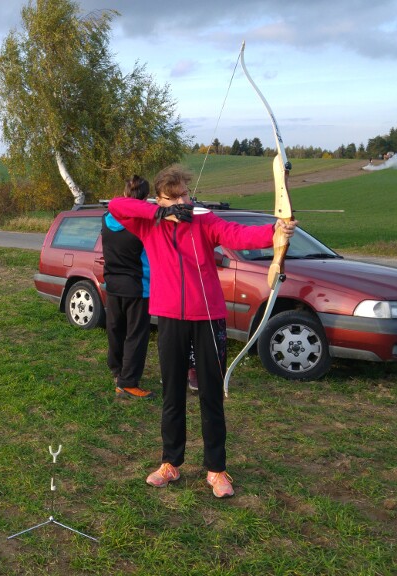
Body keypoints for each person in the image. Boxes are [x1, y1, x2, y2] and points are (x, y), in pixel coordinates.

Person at [107, 165, 296, 498]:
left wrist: (275, 231)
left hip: (208, 317)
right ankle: (170, 463)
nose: (183, 202)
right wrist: (159, 213)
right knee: (173, 393)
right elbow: (116, 206)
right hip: (169, 317)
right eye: (174, 197)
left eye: (185, 195)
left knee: (210, 393)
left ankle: (216, 469)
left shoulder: (204, 221)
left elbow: (238, 235)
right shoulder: (149, 225)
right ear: (160, 199)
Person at [102, 176, 154, 399]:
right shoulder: (143, 223)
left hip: (112, 285)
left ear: (124, 194)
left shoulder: (106, 218)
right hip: (138, 288)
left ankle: (117, 371)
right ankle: (128, 383)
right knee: (136, 335)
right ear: (146, 198)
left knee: (116, 330)